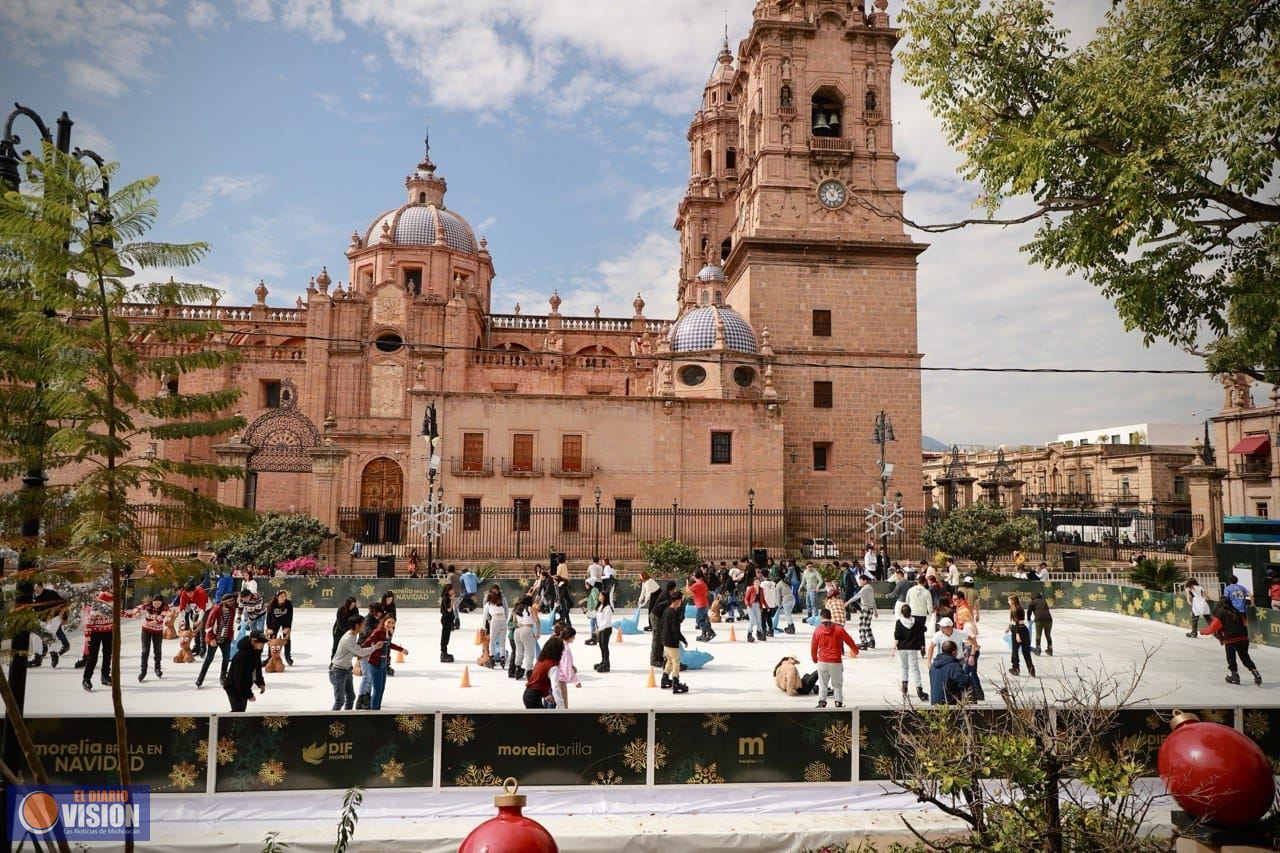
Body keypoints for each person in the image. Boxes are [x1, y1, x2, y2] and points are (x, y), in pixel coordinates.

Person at [1201, 601, 1262, 686]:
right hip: (1243, 638)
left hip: (1231, 639)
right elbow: (1244, 623)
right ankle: (1255, 673)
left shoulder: (1220, 612)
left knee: (1231, 658)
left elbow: (1212, 628)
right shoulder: (1236, 611)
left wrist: (1202, 631)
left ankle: (1235, 676)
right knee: (1245, 657)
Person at [810, 607, 858, 708]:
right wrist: (855, 649)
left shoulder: (817, 631)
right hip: (836, 661)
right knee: (837, 685)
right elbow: (849, 640)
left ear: (821, 617)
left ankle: (822, 702)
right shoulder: (839, 629)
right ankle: (838, 703)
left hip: (822, 661)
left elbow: (813, 647)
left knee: (823, 684)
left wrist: (815, 658)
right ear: (830, 617)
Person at [330, 614, 375, 710]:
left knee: (351, 697)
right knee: (340, 701)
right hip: (338, 671)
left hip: (347, 670)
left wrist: (358, 653)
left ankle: (347, 719)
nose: (364, 626)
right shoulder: (349, 638)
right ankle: (331, 720)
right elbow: (360, 652)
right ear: (357, 625)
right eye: (363, 624)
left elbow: (355, 650)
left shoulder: (353, 635)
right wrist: (375, 647)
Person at [362, 615, 407, 710]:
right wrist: (360, 651)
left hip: (383, 663)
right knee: (377, 690)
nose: (390, 624)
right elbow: (368, 641)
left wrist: (401, 649)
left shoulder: (388, 632)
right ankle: (374, 712)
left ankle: (377, 710)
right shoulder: (378, 631)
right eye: (389, 622)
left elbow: (389, 644)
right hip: (375, 663)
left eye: (393, 623)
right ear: (384, 622)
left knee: (381, 689)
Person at [197, 593, 238, 689]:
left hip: (225, 638)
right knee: (209, 659)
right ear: (224, 602)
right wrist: (211, 639)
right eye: (230, 601)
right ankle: (200, 678)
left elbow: (231, 624)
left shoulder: (232, 610)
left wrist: (230, 636)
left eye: (233, 601)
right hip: (215, 638)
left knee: (226, 658)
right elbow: (208, 625)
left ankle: (223, 677)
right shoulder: (216, 610)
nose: (232, 603)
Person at [128, 592, 170, 682]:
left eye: (159, 603)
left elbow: (162, 616)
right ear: (152, 602)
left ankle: (157, 668)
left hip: (158, 631)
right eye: (155, 603)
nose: (157, 605)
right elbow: (137, 607)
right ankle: (143, 671)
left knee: (157, 650)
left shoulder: (165, 607)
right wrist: (137, 613)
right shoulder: (148, 606)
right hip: (146, 630)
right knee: (145, 651)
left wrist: (155, 620)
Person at [80, 587, 115, 692]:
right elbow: (90, 619)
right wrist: (88, 634)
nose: (111, 592)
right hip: (96, 632)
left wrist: (132, 615)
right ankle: (86, 679)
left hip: (108, 631)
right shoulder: (99, 600)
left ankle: (105, 676)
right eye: (109, 589)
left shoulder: (115, 599)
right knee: (92, 657)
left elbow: (119, 612)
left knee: (107, 655)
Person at [892, 604, 929, 701]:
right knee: (915, 669)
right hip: (912, 648)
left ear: (902, 613)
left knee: (904, 667)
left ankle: (904, 688)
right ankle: (919, 690)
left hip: (902, 648)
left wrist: (893, 648)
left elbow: (897, 636)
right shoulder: (916, 622)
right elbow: (924, 629)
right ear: (910, 612)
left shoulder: (899, 622)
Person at [224, 631, 267, 712]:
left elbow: (257, 668)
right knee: (238, 711)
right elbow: (240, 679)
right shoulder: (243, 657)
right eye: (261, 643)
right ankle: (225, 723)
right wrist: (249, 695)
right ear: (253, 641)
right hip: (233, 687)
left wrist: (260, 682)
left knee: (241, 711)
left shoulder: (255, 651)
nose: (263, 645)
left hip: (242, 686)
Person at [660, 589, 690, 693]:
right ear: (677, 601)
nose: (681, 603)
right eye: (681, 601)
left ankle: (664, 679)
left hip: (664, 639)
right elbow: (676, 630)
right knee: (676, 661)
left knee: (669, 659)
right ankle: (676, 683)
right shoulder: (674, 613)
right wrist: (683, 640)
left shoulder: (666, 610)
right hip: (671, 641)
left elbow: (662, 625)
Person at [523, 637, 566, 709]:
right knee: (543, 719)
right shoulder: (553, 666)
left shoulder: (541, 660)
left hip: (529, 694)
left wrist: (545, 695)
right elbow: (555, 687)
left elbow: (538, 679)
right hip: (534, 697)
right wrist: (562, 707)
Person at [929, 640, 970, 705]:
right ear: (953, 652)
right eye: (957, 651)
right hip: (949, 703)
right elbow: (964, 683)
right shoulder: (954, 666)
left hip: (935, 702)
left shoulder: (933, 666)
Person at [649, 580, 677, 666]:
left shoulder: (668, 594)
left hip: (659, 617)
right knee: (657, 638)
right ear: (672, 588)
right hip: (656, 617)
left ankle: (660, 657)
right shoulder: (665, 596)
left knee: (661, 637)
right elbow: (659, 606)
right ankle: (654, 659)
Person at [1006, 595, 1035, 677]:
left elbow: (1016, 623)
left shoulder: (1014, 609)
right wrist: (1008, 628)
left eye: (1009, 600)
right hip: (1024, 630)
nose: (1008, 602)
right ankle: (1031, 669)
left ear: (1013, 601)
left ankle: (1016, 669)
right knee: (1026, 652)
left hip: (1017, 631)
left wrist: (1017, 634)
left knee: (1015, 651)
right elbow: (1016, 622)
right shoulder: (1021, 608)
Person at [512, 596, 539, 679]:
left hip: (517, 631)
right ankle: (529, 671)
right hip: (527, 630)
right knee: (529, 652)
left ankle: (518, 668)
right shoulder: (531, 609)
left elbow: (514, 622)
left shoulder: (516, 609)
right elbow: (537, 620)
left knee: (519, 651)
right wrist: (538, 631)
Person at [555, 626, 582, 708]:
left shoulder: (558, 644)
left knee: (557, 704)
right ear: (569, 636)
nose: (574, 638)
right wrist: (575, 681)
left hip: (554, 677)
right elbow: (566, 667)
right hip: (560, 679)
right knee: (563, 705)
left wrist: (572, 666)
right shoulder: (565, 649)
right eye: (573, 636)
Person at [266, 589, 294, 666]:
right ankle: (269, 657)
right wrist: (269, 628)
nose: (283, 598)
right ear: (277, 597)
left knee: (287, 638)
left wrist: (288, 628)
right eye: (281, 596)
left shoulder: (288, 604)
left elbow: (290, 617)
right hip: (275, 622)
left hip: (285, 622)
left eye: (285, 596)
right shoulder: (272, 603)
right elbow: (268, 617)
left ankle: (288, 656)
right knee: (272, 639)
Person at [483, 587, 508, 668]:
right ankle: (502, 659)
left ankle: (491, 659)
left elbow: (484, 617)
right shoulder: (499, 604)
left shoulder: (488, 604)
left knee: (492, 641)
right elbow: (505, 612)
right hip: (503, 621)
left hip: (495, 620)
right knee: (502, 641)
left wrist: (484, 627)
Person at [853, 575, 877, 649]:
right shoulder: (870, 587)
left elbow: (856, 596)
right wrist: (875, 611)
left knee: (861, 627)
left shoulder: (864, 589)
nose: (859, 582)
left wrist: (847, 602)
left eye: (860, 580)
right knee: (867, 626)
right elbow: (873, 600)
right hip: (870, 610)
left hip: (865, 609)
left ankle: (864, 643)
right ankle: (872, 641)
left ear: (865, 581)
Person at [688, 569, 713, 642]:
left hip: (700, 605)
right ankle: (704, 635)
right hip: (705, 604)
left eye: (693, 575)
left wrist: (687, 582)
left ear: (695, 576)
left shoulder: (697, 584)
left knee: (699, 621)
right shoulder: (703, 583)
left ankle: (710, 631)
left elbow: (687, 591)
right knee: (704, 620)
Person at [594, 587, 614, 673]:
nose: (599, 596)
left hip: (606, 629)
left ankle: (607, 664)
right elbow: (596, 616)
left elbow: (606, 621)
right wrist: (586, 612)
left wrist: (599, 629)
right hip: (601, 629)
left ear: (605, 597)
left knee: (605, 647)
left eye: (601, 595)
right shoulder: (600, 606)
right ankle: (603, 662)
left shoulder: (608, 608)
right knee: (601, 646)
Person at [1027, 591, 1053, 656]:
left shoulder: (1032, 602)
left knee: (1038, 635)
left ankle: (1038, 650)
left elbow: (1029, 612)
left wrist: (1029, 619)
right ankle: (1050, 649)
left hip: (1039, 620)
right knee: (1048, 635)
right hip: (1049, 619)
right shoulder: (1044, 601)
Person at [744, 575, 765, 642]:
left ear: (760, 583)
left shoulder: (761, 589)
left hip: (757, 606)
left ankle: (759, 634)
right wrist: (747, 605)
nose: (757, 583)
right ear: (753, 583)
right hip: (750, 606)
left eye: (758, 582)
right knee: (752, 621)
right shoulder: (750, 588)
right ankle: (749, 635)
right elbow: (746, 598)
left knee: (759, 621)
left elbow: (763, 599)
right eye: (755, 582)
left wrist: (767, 606)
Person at [440, 585, 457, 663]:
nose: (453, 591)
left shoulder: (449, 598)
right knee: (445, 636)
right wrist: (452, 601)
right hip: (446, 619)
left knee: (447, 636)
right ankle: (443, 653)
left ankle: (445, 652)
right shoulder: (446, 599)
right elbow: (449, 610)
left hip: (449, 619)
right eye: (452, 589)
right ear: (448, 591)